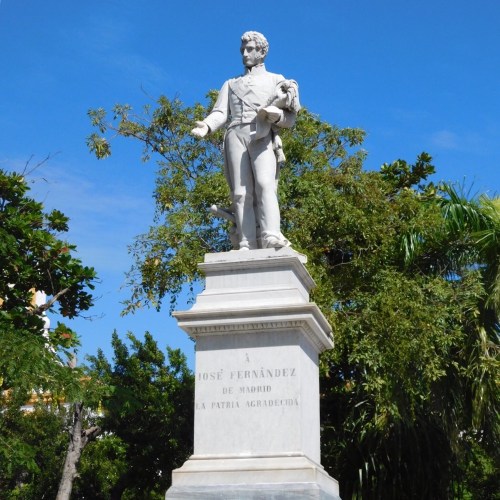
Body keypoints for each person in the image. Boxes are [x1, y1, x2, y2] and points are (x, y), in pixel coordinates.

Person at [191, 31, 300, 250]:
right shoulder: (231, 83)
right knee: (240, 193)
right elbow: (220, 112)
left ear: (262, 52)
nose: (245, 54)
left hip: (261, 133)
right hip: (235, 134)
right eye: (242, 50)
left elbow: (290, 118)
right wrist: (207, 125)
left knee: (265, 184)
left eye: (250, 49)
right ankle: (246, 241)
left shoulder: (277, 80)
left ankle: (271, 235)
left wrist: (276, 116)